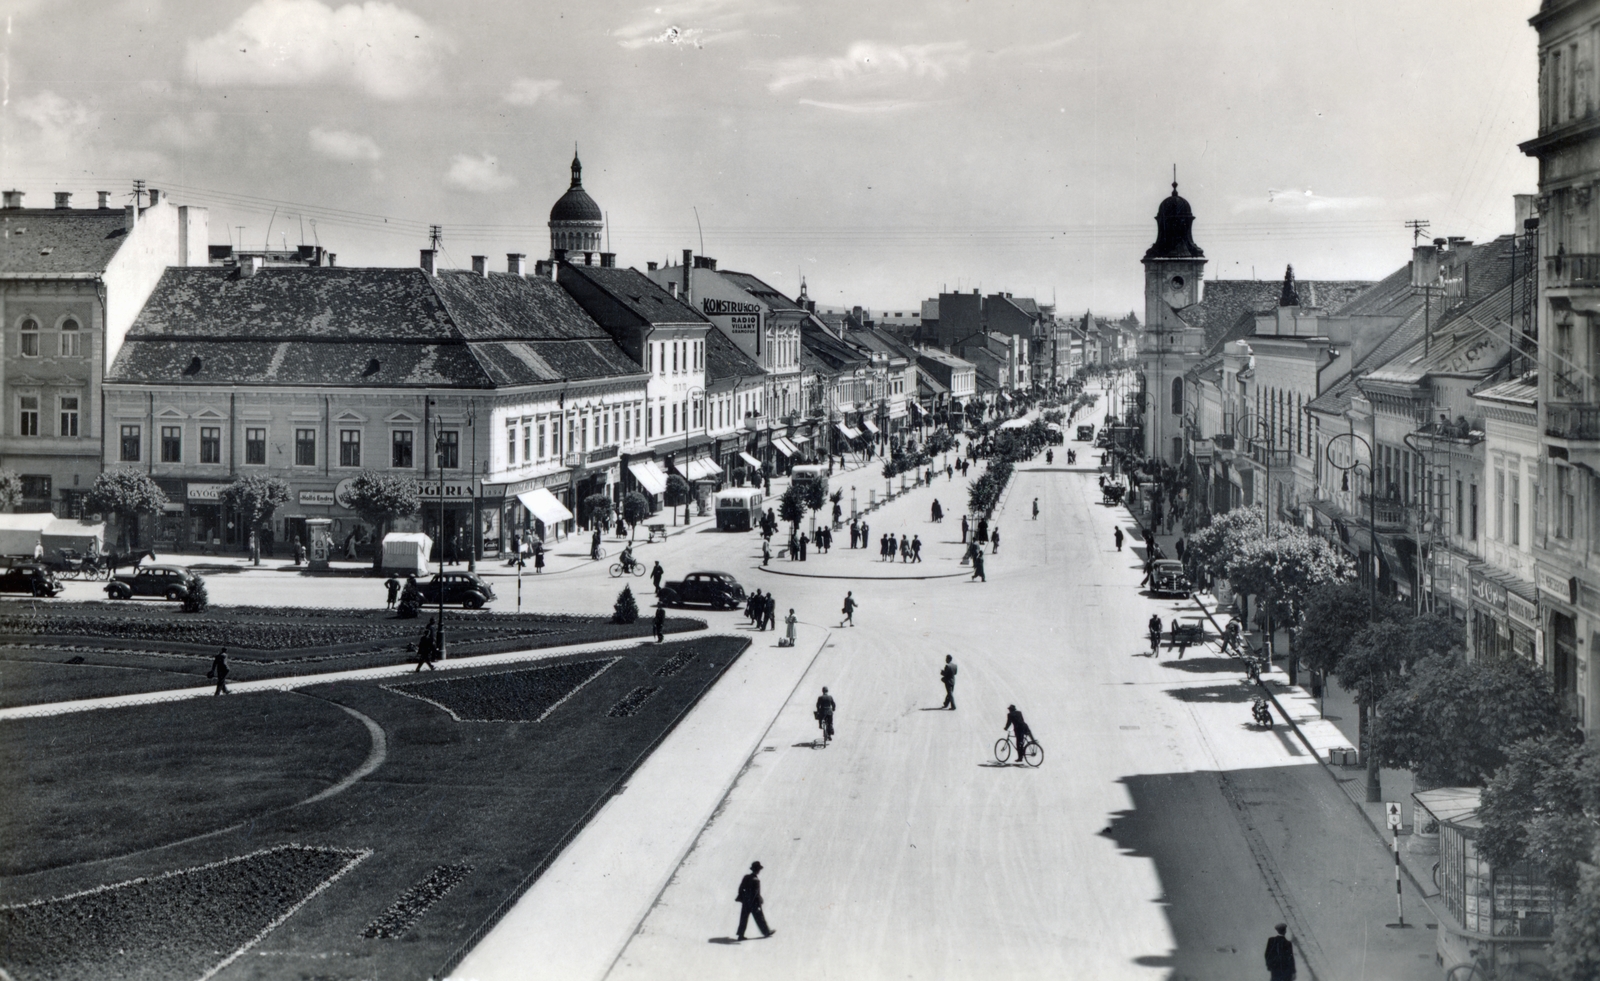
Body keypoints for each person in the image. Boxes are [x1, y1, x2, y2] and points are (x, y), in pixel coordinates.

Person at [735, 861, 773, 941]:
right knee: (759, 917)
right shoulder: (756, 880)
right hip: (754, 903)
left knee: (743, 918)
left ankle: (740, 935)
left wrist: (743, 898)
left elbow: (741, 888)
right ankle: (766, 932)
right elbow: (755, 893)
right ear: (757, 870)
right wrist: (758, 900)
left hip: (746, 901)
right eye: (759, 869)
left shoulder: (746, 877)